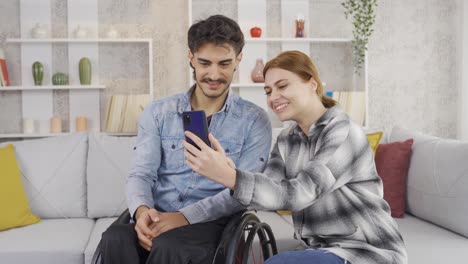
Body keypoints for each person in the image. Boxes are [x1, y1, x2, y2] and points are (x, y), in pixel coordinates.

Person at [183, 50, 408, 264]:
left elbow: (302, 192)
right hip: (319, 250)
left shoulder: (343, 132)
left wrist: (232, 177)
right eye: (269, 91)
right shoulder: (287, 138)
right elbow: (271, 190)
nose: (274, 97)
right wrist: (229, 171)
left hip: (366, 252)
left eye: (282, 86)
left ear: (312, 83)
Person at [100, 15, 272, 264]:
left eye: (224, 64)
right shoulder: (158, 113)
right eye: (205, 63)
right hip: (157, 214)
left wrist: (183, 217)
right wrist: (142, 213)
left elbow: (243, 191)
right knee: (114, 237)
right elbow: (141, 174)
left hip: (212, 224)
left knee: (171, 246)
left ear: (239, 58)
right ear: (191, 58)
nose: (214, 74)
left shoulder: (255, 121)